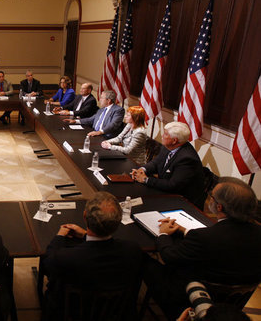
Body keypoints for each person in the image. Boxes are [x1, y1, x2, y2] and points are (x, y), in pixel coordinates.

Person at [143, 177, 261, 320]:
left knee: (143, 260)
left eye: (212, 196)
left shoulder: (203, 237)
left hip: (190, 297)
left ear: (219, 207)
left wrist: (163, 234)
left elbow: (169, 256)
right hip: (233, 305)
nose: (210, 198)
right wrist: (184, 231)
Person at [42, 191, 142, 320]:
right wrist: (85, 235)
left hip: (71, 313)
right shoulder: (133, 250)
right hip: (114, 313)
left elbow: (48, 262)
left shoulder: (65, 258)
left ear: (85, 216)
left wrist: (60, 236)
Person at [131, 121, 206, 208]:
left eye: (166, 134)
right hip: (164, 193)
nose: (162, 136)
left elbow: (172, 185)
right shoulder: (168, 147)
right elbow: (156, 163)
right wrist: (143, 170)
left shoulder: (187, 159)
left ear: (174, 140)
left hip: (182, 202)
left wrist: (145, 179)